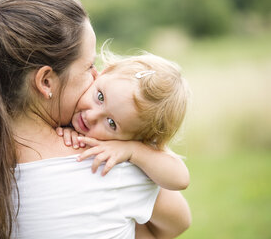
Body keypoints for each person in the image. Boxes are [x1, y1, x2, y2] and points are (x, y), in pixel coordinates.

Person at [0, 0, 190, 238]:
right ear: (46, 82)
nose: (95, 75)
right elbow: (176, 224)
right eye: (89, 66)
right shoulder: (108, 166)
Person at [57, 51, 191, 237]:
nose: (91, 115)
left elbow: (181, 179)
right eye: (101, 97)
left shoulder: (133, 147)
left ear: (135, 138)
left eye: (112, 124)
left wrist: (133, 151)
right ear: (101, 73)